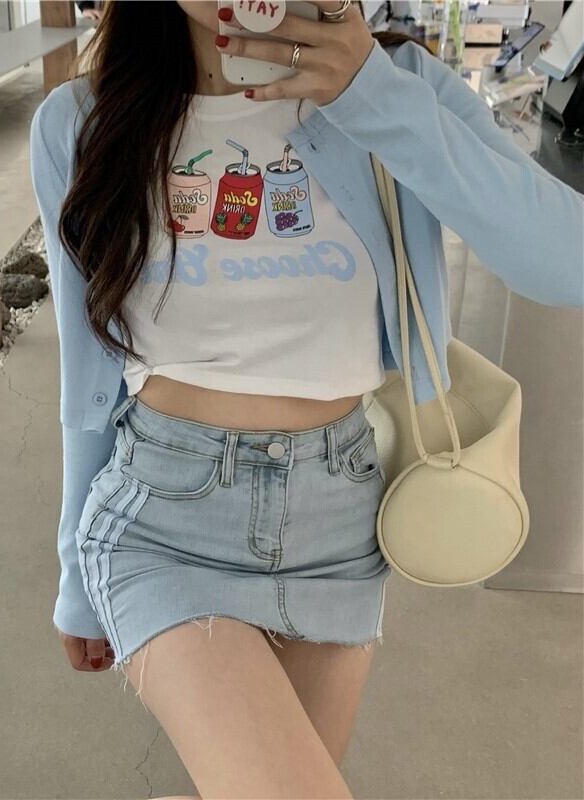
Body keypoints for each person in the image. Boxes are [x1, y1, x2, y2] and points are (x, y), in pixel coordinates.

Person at [29, 2, 583, 797]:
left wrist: (368, 94)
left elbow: (565, 263)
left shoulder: (399, 86)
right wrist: (72, 577)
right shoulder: (80, 123)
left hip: (340, 529)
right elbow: (86, 378)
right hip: (163, 521)